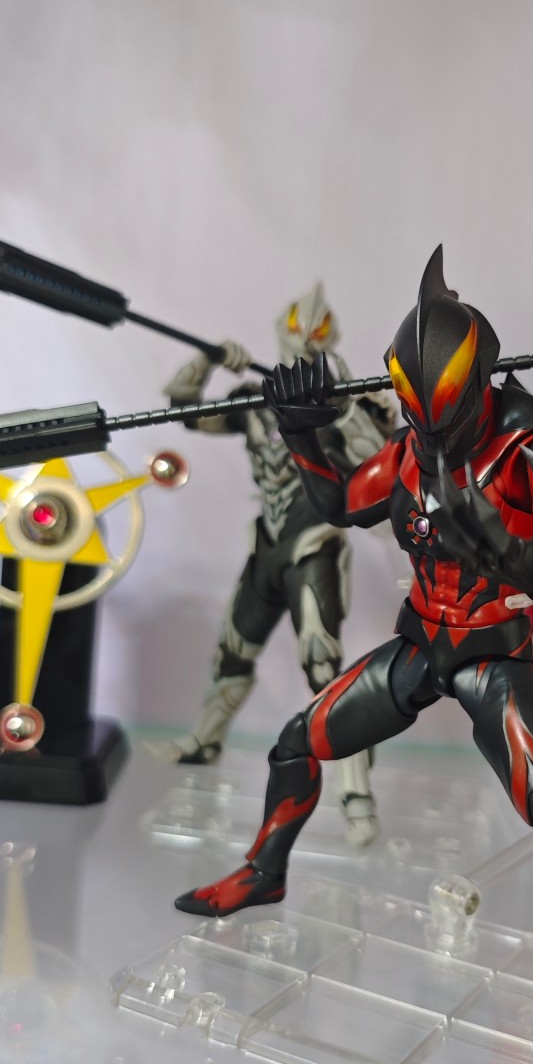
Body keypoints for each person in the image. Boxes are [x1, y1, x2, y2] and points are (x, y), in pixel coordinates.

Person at [173, 246, 533, 1062]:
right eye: (415, 411)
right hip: (419, 645)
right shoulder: (408, 449)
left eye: (444, 414)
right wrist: (301, 428)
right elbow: (341, 501)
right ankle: (265, 871)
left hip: (491, 659)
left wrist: (495, 536)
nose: (431, 433)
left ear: (481, 385)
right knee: (296, 743)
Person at [158, 283, 395, 847]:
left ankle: (356, 795)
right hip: (266, 545)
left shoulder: (349, 400)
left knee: (322, 665)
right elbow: (183, 409)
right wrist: (209, 359)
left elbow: (385, 459)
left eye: (316, 333)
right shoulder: (253, 399)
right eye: (298, 330)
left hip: (315, 543)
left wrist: (341, 404)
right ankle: (205, 743)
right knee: (234, 649)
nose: (305, 338)